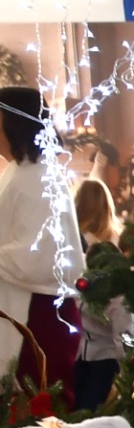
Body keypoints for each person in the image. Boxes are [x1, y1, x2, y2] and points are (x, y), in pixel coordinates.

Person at [0, 86, 84, 399]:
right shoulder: (21, 171)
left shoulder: (37, 177)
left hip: (39, 313)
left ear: (11, 121)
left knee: (43, 408)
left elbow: (41, 256)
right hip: (24, 307)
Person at [73, 179, 125, 410]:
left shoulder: (76, 243)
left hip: (95, 348)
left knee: (87, 404)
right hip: (98, 348)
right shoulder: (116, 240)